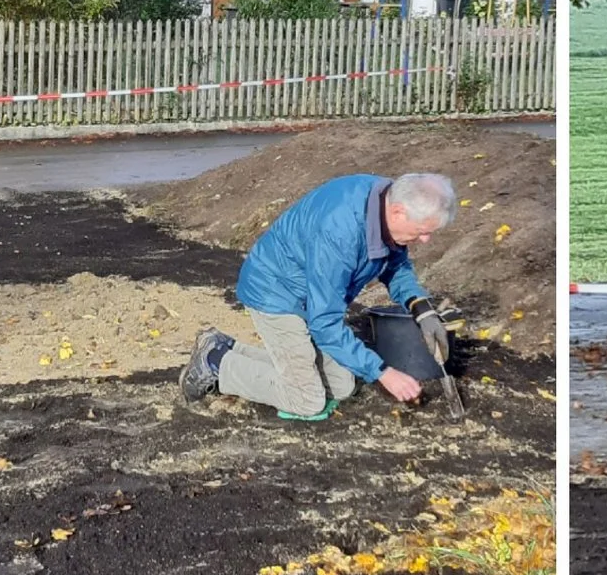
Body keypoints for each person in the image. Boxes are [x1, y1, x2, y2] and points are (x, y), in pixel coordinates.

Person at [180, 170, 457, 420]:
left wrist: (421, 307)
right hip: (275, 292)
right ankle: (216, 363)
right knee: (306, 400)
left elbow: (395, 265)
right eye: (423, 232)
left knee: (342, 386)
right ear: (398, 212)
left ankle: (225, 347)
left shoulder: (386, 202)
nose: (425, 240)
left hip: (310, 295)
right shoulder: (340, 232)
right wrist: (384, 372)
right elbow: (324, 323)